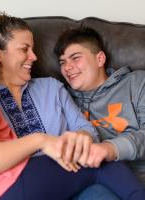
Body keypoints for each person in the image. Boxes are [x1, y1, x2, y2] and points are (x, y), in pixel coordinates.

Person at [0, 30, 145, 200]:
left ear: (100, 58)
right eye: (25, 49)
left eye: (75, 58)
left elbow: (86, 131)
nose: (35, 56)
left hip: (68, 173)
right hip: (22, 183)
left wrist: (81, 143)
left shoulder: (52, 87)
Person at [54, 27, 145, 199]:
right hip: (94, 185)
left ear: (100, 59)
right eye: (62, 62)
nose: (67, 67)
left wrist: (111, 148)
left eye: (75, 58)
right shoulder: (61, 99)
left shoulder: (137, 83)